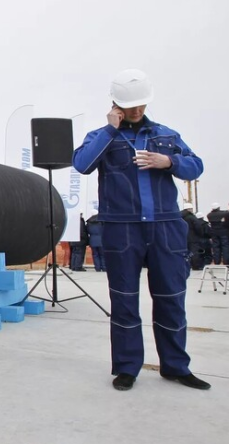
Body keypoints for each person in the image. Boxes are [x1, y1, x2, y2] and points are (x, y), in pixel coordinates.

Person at [73, 69, 210, 391]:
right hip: (122, 229)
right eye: (129, 105)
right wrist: (111, 129)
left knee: (171, 299)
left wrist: (169, 162)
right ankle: (127, 367)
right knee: (124, 300)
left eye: (140, 104)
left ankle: (176, 366)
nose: (136, 110)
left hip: (165, 227)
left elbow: (196, 166)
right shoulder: (101, 136)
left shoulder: (167, 136)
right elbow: (82, 164)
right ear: (115, 103)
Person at [181, 203, 204, 270]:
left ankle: (187, 265)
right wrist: (200, 234)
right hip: (192, 237)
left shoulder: (180, 217)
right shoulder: (192, 217)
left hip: (182, 237)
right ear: (189, 209)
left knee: (185, 252)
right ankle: (196, 266)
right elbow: (198, 227)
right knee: (194, 251)